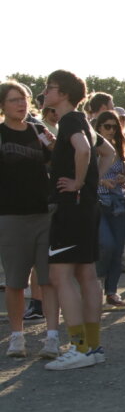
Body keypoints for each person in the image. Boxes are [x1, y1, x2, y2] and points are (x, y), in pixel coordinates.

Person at [43, 70, 115, 371]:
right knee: (86, 274)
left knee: (60, 275)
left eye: (50, 88)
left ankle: (79, 347)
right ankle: (92, 346)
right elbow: (108, 153)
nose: (45, 92)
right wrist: (89, 184)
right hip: (85, 207)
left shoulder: (71, 120)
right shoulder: (81, 121)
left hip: (71, 208)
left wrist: (78, 182)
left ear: (64, 93)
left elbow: (85, 150)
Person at [1, 81, 60, 359]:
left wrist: (53, 144)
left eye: (23, 98)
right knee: (15, 282)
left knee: (48, 279)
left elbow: (58, 161)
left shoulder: (38, 130)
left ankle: (51, 337)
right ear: (2, 105)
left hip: (43, 214)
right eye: (14, 100)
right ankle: (17, 336)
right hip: (10, 216)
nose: (21, 104)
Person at [92, 110, 125, 308]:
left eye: (114, 127)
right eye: (107, 126)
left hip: (117, 201)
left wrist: (122, 179)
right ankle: (96, 281)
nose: (111, 130)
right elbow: (86, 176)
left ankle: (112, 291)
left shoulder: (119, 147)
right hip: (98, 202)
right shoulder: (93, 147)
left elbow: (122, 172)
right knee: (106, 245)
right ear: (98, 128)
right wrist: (103, 181)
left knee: (118, 248)